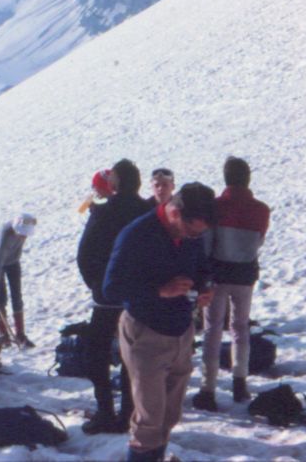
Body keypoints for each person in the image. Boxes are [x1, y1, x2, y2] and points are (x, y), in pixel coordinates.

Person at [103, 183, 216, 462]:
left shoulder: (191, 235)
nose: (194, 236)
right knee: (149, 420)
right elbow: (111, 288)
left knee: (169, 415)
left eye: (200, 233)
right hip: (146, 332)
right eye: (192, 230)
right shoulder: (137, 234)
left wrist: (205, 287)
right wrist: (158, 290)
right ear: (175, 212)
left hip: (181, 330)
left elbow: (201, 265)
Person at [77, 159, 150, 434]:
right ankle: (129, 413)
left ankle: (105, 411)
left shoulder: (103, 213)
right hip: (139, 297)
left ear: (115, 183)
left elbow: (85, 255)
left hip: (107, 296)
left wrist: (97, 284)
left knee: (96, 352)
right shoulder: (148, 211)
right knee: (131, 355)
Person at [194, 157, 270, 410]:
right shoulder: (261, 210)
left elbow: (206, 244)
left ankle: (208, 388)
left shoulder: (216, 207)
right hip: (245, 275)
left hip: (217, 276)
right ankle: (240, 382)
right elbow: (258, 241)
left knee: (212, 329)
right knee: (240, 328)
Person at [0, 213, 37, 347]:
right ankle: (4, 336)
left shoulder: (25, 227)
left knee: (17, 296)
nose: (23, 237)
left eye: (25, 235)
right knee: (1, 299)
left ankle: (20, 334)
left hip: (13, 261)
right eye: (21, 234)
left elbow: (33, 221)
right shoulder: (5, 233)